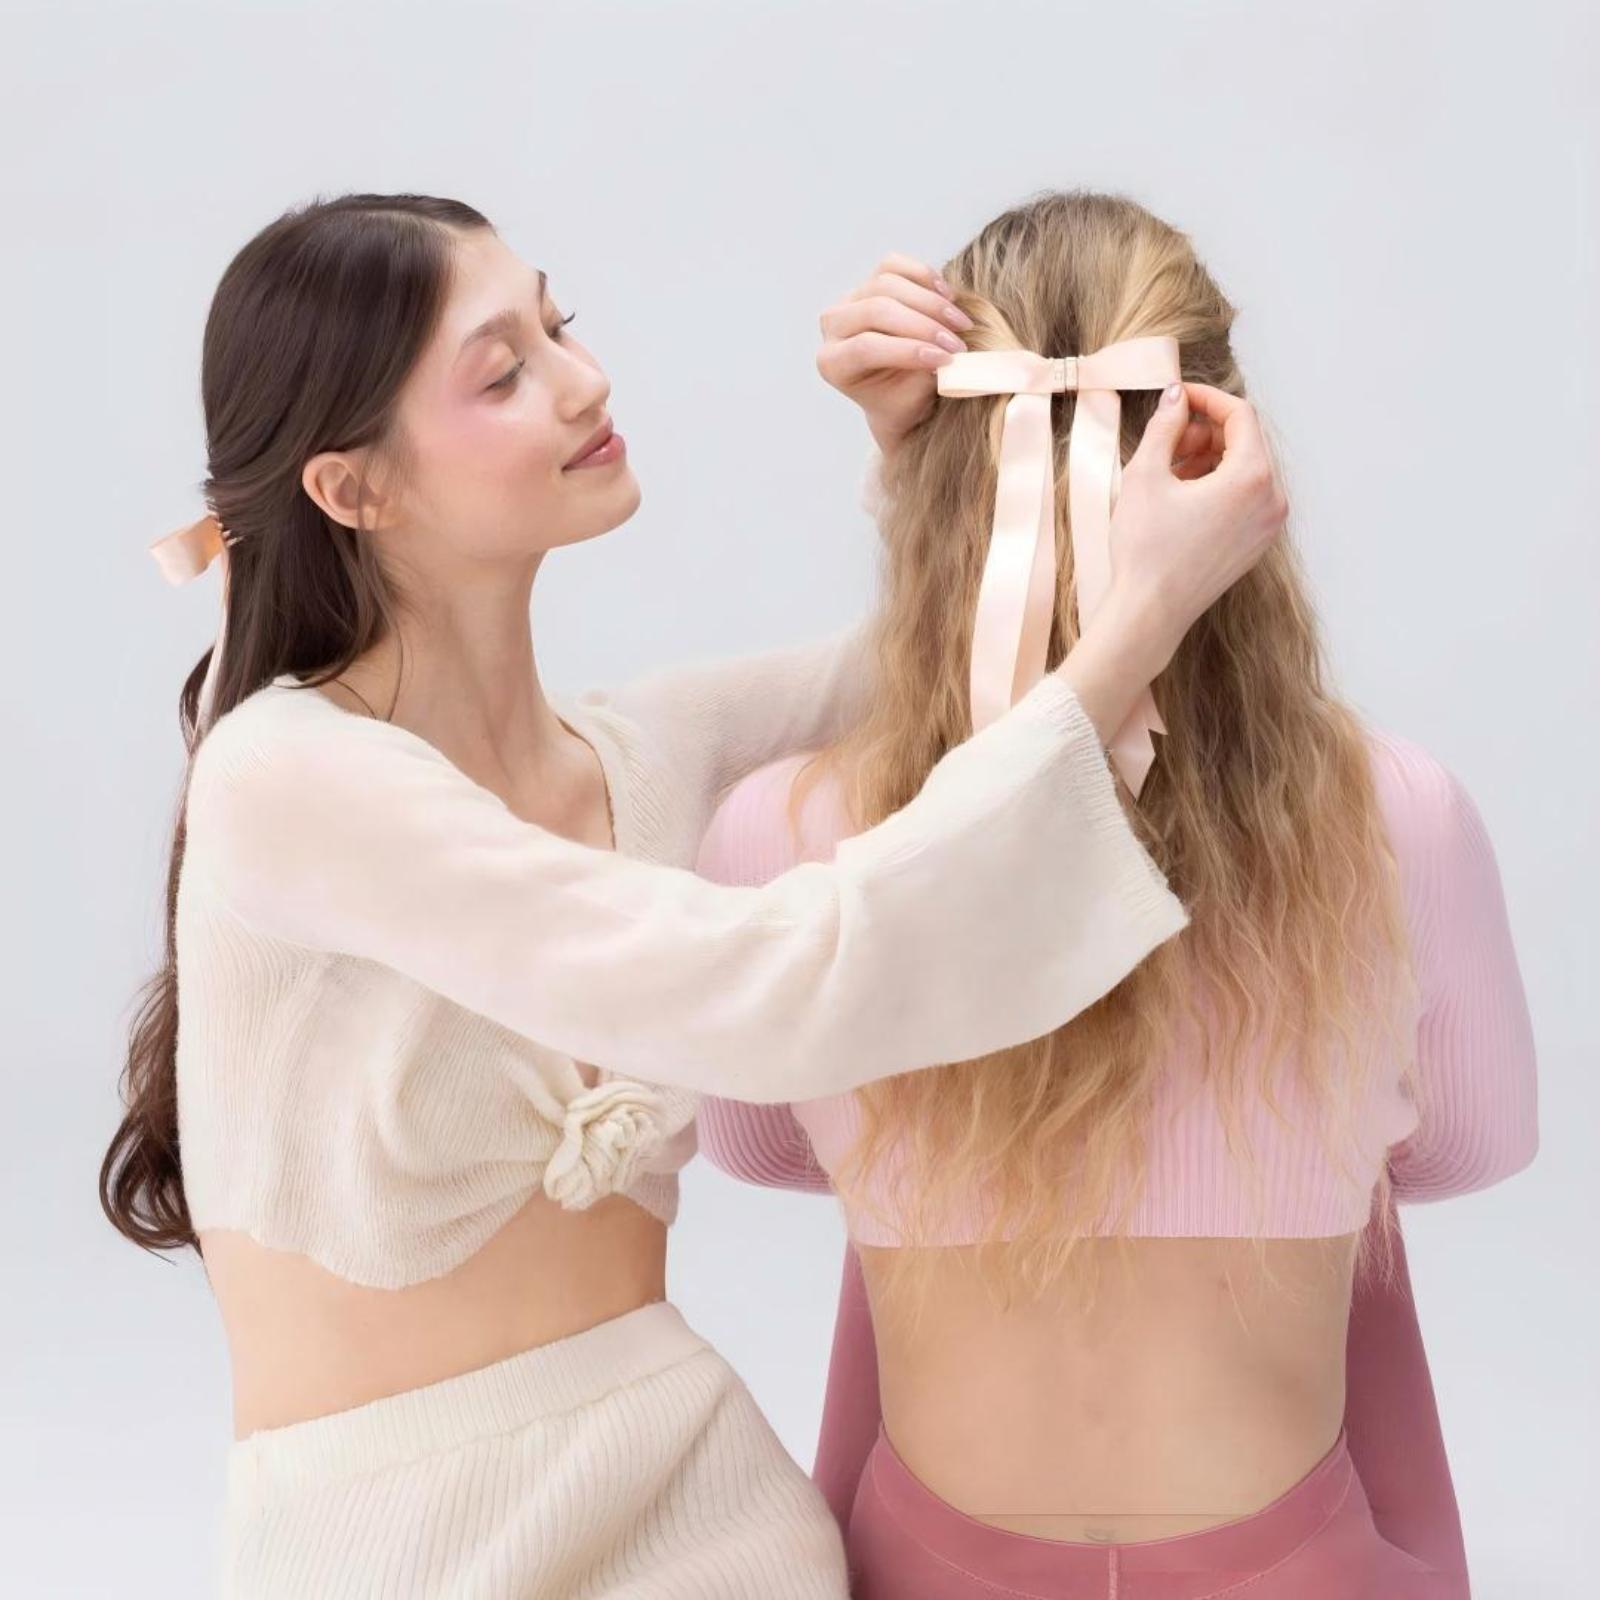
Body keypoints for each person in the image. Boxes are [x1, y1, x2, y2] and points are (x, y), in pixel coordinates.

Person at [99, 191, 1284, 1599]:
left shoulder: (647, 750)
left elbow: (958, 669)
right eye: (503, 372)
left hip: (712, 1515)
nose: (583, 380)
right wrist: (1139, 620)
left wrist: (927, 450)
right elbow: (778, 984)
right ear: (354, 490)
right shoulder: (287, 778)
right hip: (402, 1543)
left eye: (561, 326)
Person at [695, 186, 1537, 1599]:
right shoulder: (1401, 817)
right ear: (1229, 462)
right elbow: (1468, 1148)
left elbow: (763, 1147)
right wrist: (1271, 1135)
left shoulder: (785, 827)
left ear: (941, 478)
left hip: (920, 1565)